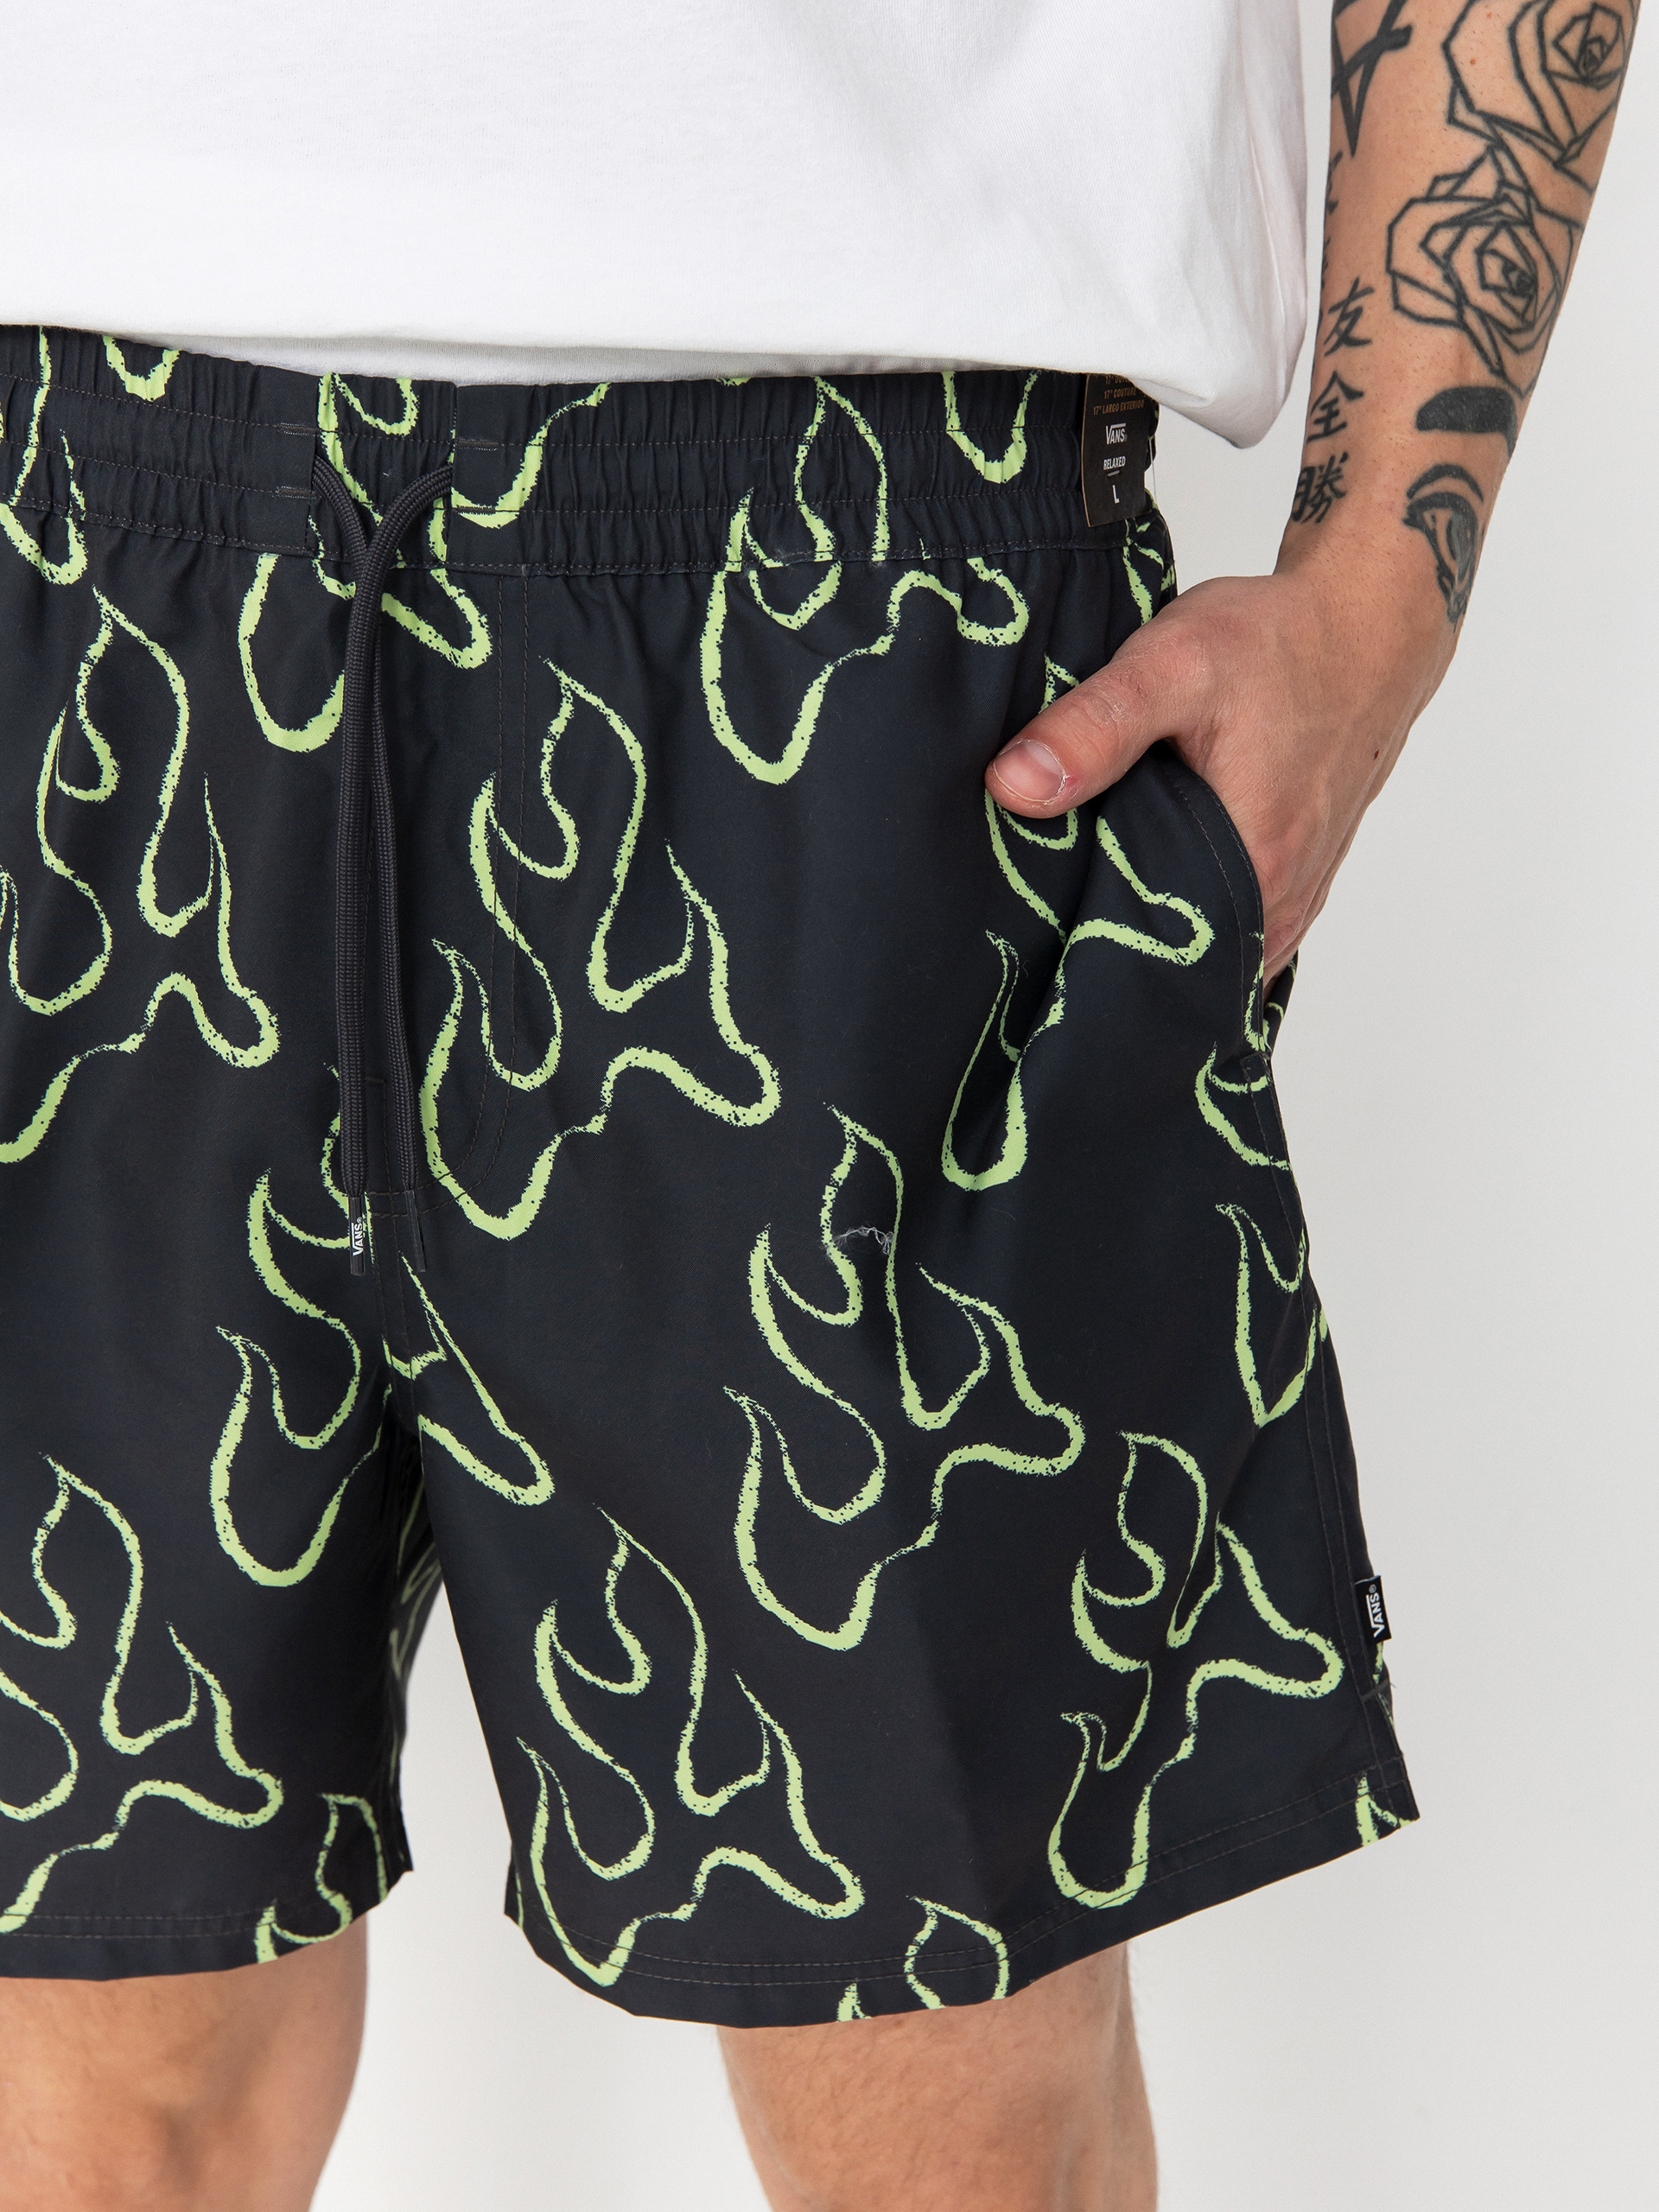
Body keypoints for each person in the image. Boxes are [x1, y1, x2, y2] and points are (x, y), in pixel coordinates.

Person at [0, 3, 1637, 2207]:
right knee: (93, 2076)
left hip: (863, 611)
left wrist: (1378, 596)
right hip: (73, 565)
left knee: (950, 2105)